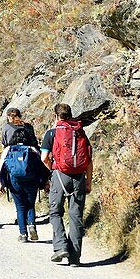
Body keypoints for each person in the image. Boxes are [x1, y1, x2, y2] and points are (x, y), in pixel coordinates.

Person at [42, 103, 93, 266]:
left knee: (55, 211)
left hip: (59, 175)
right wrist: (88, 182)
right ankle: (75, 257)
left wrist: (53, 169)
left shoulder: (52, 133)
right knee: (76, 215)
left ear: (56, 116)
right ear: (70, 116)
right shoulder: (80, 132)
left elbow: (44, 157)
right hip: (79, 176)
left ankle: (60, 246)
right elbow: (89, 161)